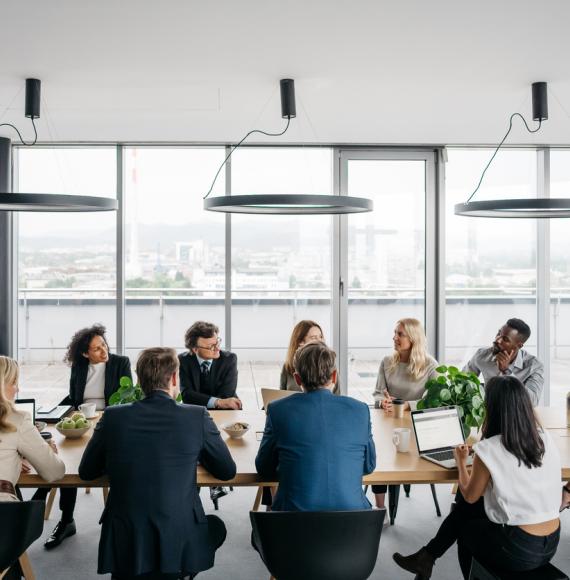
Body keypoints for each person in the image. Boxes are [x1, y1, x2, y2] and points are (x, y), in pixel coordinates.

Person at [79, 347, 236, 580]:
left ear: (139, 380)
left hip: (126, 537)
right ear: (174, 378)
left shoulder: (112, 416)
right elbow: (226, 471)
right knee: (216, 527)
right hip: (178, 532)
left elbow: (87, 472)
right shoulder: (196, 416)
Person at [393, 376, 561, 579]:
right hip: (550, 543)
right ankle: (426, 558)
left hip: (518, 549)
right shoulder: (545, 440)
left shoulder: (489, 448)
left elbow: (470, 495)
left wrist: (462, 462)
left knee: (464, 519)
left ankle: (430, 560)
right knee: (468, 509)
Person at [34, 323, 132, 549]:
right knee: (62, 459)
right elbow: (73, 397)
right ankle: (67, 521)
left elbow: (125, 400)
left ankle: (41, 505)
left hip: (109, 423)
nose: (104, 351)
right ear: (85, 353)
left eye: (104, 345)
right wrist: (51, 413)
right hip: (81, 423)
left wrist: (101, 416)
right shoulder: (79, 367)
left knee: (74, 462)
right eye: (97, 349)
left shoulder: (120, 363)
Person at [256, 341, 376, 512]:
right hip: (353, 529)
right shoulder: (360, 410)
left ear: (297, 379)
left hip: (292, 527)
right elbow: (368, 466)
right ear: (334, 376)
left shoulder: (277, 410)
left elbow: (264, 468)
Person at [371, 318, 438, 509]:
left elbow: (434, 400)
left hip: (414, 426)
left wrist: (407, 405)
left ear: (413, 338)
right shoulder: (387, 361)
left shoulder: (430, 365)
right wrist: (382, 401)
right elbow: (377, 393)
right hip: (387, 423)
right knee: (379, 457)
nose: (394, 337)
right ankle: (380, 508)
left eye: (400, 334)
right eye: (395, 333)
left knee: (399, 457)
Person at [0, 355, 65, 503]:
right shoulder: (17, 420)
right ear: (2, 385)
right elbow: (54, 472)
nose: (18, 389)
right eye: (14, 383)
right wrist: (48, 452)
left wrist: (13, 459)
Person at [463, 318, 543, 405]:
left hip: (517, 415)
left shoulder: (534, 365)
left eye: (505, 339)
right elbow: (462, 381)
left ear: (519, 345)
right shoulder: (482, 355)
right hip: (489, 412)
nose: (497, 340)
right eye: (498, 333)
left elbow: (532, 401)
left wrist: (506, 372)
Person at [179, 321, 241, 410]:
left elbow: (227, 394)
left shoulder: (229, 359)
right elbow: (187, 395)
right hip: (196, 410)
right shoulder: (183, 360)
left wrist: (219, 403)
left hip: (226, 409)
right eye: (211, 346)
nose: (217, 348)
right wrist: (217, 402)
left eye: (217, 342)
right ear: (195, 349)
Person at [280, 320, 339, 394]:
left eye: (321, 337)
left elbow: (338, 396)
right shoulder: (287, 367)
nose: (320, 341)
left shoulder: (330, 365)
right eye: (314, 338)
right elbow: (280, 395)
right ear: (300, 342)